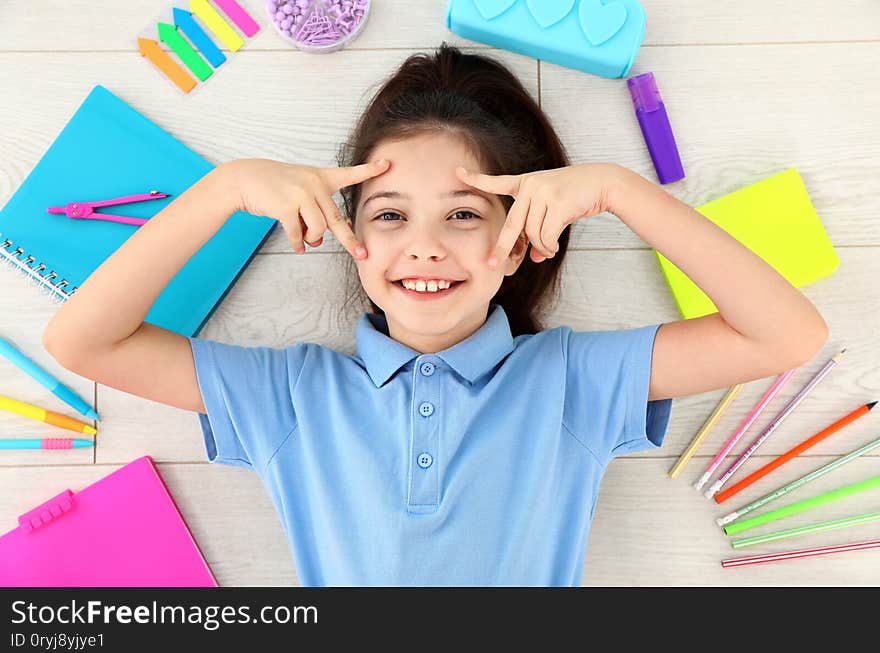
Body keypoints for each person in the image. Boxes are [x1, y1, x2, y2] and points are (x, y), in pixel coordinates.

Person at [42, 43, 828, 586]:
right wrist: (223, 191)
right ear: (350, 237)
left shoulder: (569, 381)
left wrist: (618, 190)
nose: (423, 248)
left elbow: (788, 332)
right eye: (389, 216)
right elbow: (80, 339)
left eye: (462, 215)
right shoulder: (290, 396)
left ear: (520, 242)